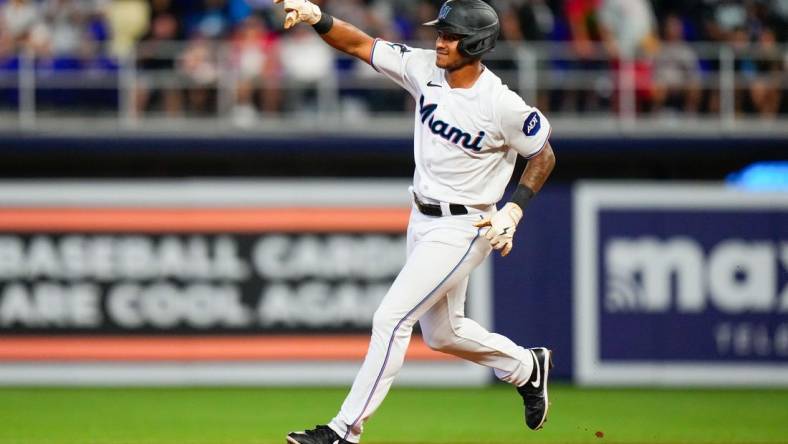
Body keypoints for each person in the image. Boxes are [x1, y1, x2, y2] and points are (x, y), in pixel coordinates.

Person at [274, 0, 556, 443]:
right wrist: (317, 17)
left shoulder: (500, 103)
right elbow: (361, 44)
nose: (439, 41)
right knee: (444, 334)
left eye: (450, 36)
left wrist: (514, 209)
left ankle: (343, 431)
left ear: (477, 43)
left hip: (467, 226)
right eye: (440, 33)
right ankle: (526, 366)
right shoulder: (423, 67)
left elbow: (543, 154)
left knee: (391, 317)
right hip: (422, 216)